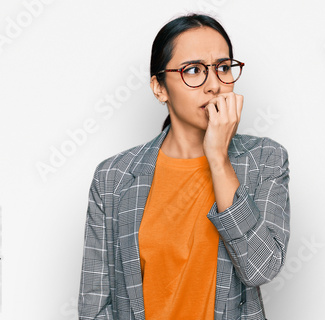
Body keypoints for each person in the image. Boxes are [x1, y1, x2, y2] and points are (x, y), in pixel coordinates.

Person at [78, 13, 290, 320]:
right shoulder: (113, 177)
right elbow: (95, 305)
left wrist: (218, 156)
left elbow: (261, 268)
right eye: (193, 70)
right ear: (159, 88)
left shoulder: (264, 159)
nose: (214, 85)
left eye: (223, 68)